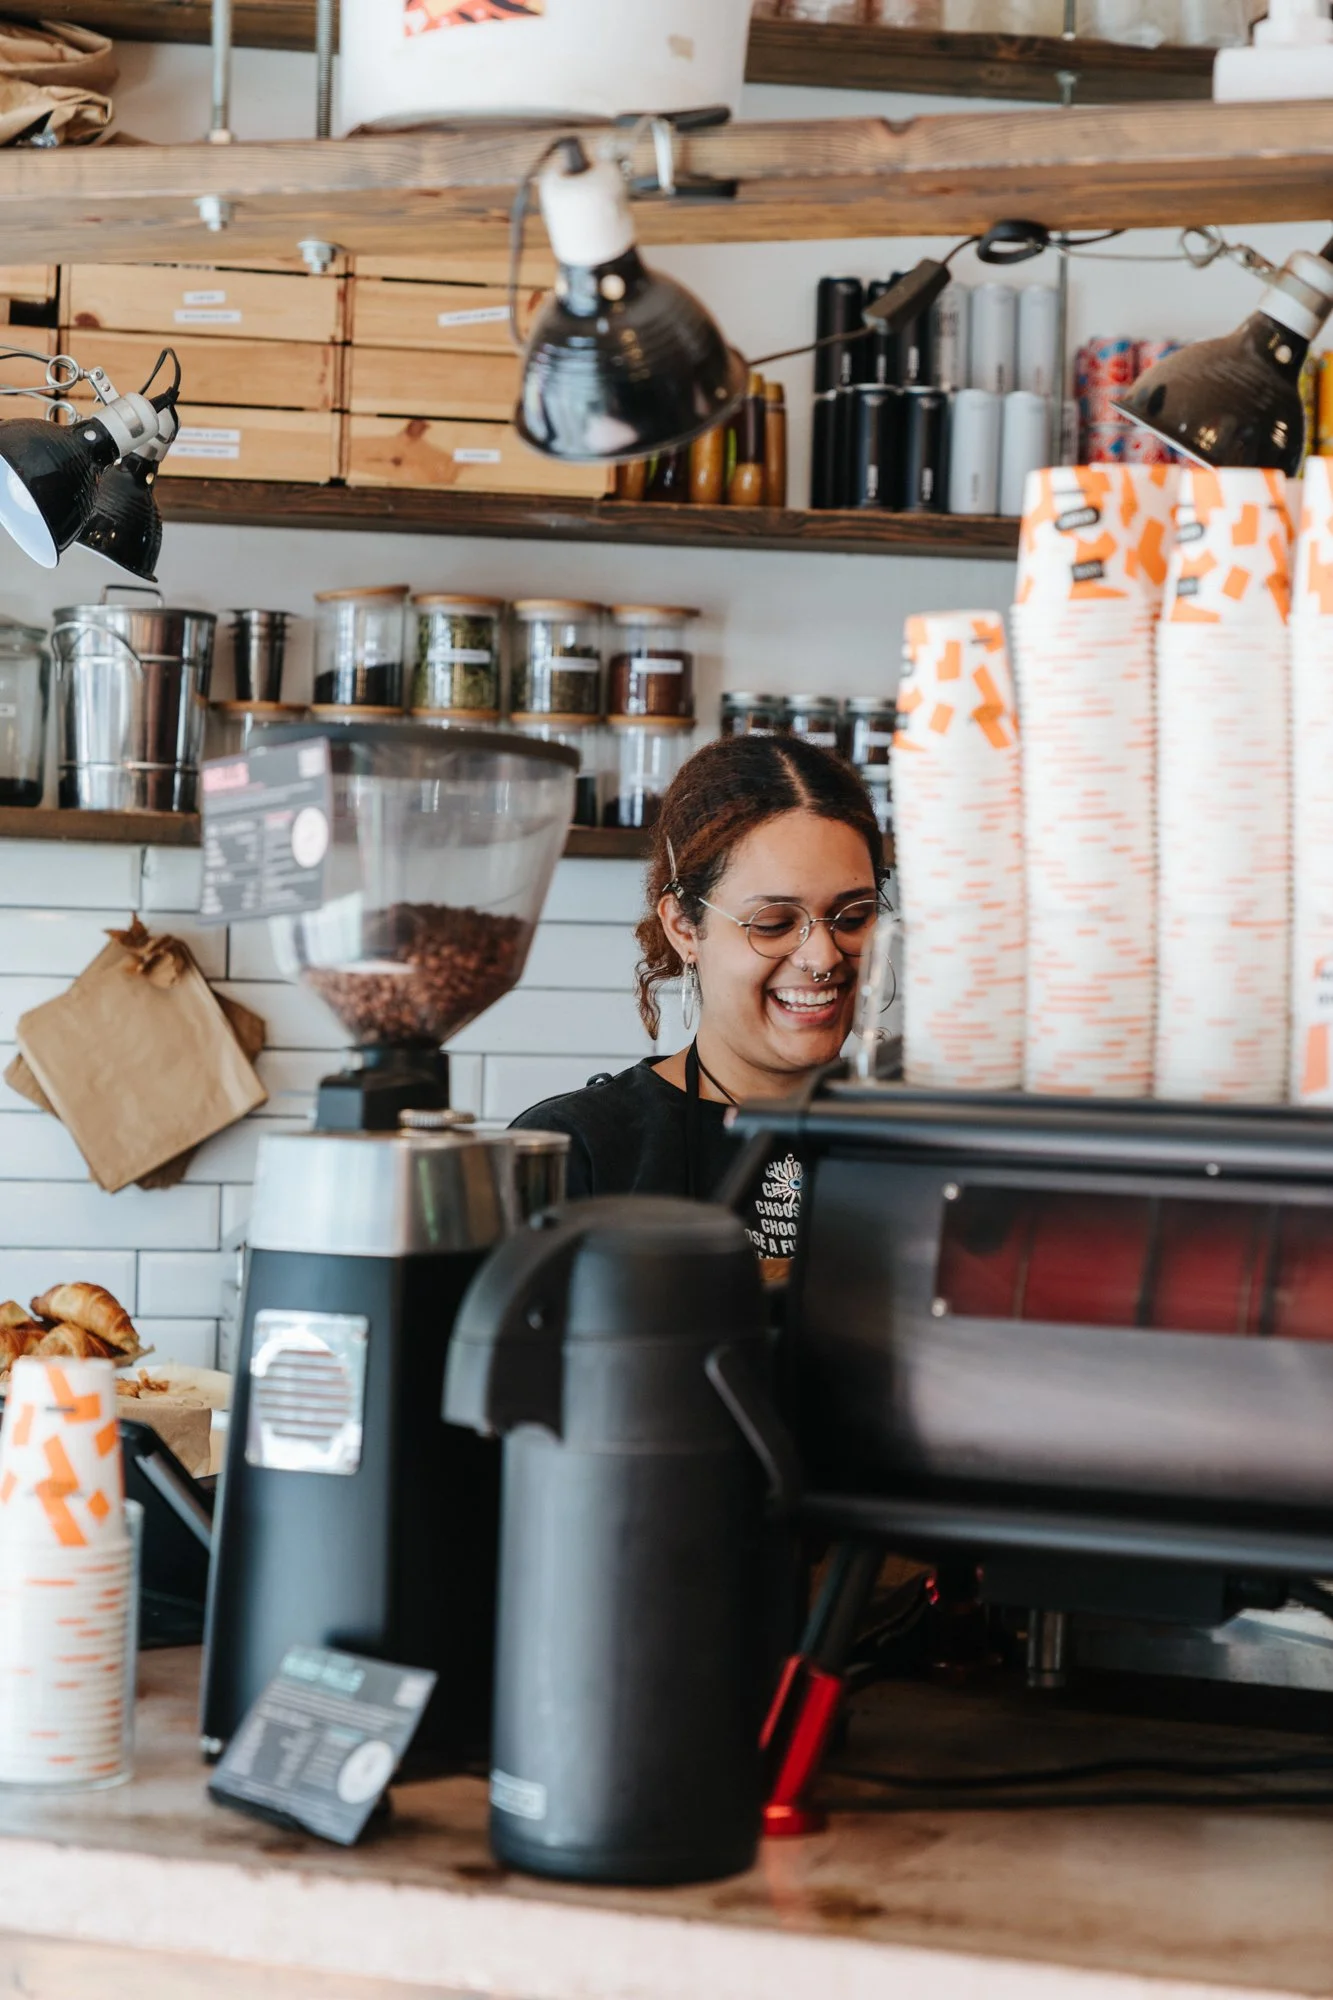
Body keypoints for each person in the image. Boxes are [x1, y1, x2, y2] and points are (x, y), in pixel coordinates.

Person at [511, 732, 886, 1257]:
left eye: (853, 917)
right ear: (685, 928)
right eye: (774, 923)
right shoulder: (580, 1149)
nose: (822, 957)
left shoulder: (915, 1138)